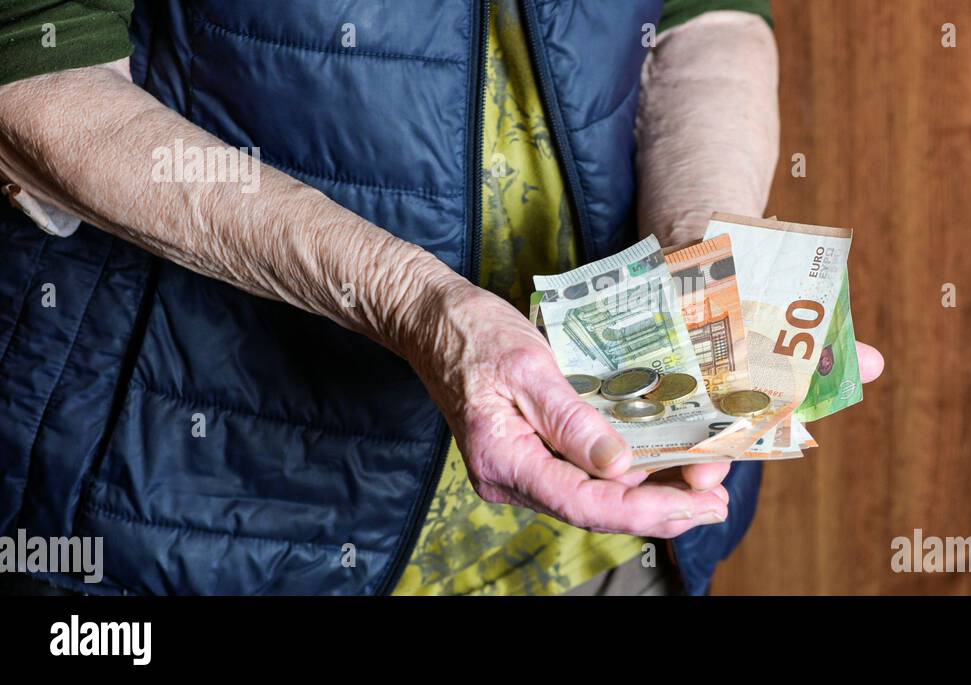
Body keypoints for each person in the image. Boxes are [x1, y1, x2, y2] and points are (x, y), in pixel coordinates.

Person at [0, 0, 884, 596]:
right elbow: (34, 63)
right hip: (202, 512)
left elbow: (703, 16)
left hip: (606, 539)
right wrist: (415, 304)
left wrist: (700, 252)